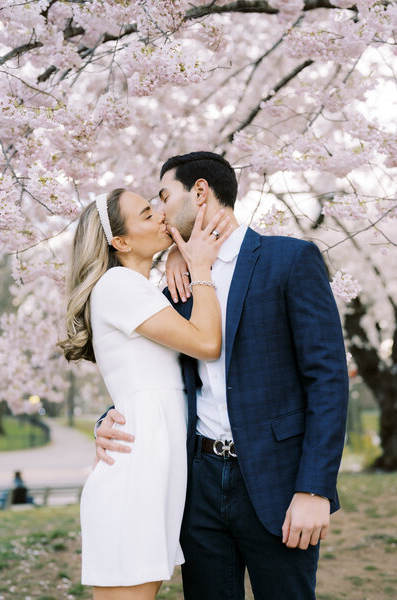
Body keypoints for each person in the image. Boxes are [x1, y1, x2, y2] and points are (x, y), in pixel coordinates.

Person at [94, 152, 349, 600]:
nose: (161, 212)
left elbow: (328, 380)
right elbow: (153, 370)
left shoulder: (290, 259)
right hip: (199, 486)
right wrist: (110, 419)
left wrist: (315, 488)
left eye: (164, 197)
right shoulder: (174, 286)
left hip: (277, 484)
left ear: (199, 192)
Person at [58, 188, 232, 600]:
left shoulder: (139, 289)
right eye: (147, 213)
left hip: (154, 468)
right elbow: (207, 344)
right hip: (136, 474)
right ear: (121, 242)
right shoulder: (118, 285)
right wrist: (200, 263)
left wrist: (175, 255)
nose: (161, 216)